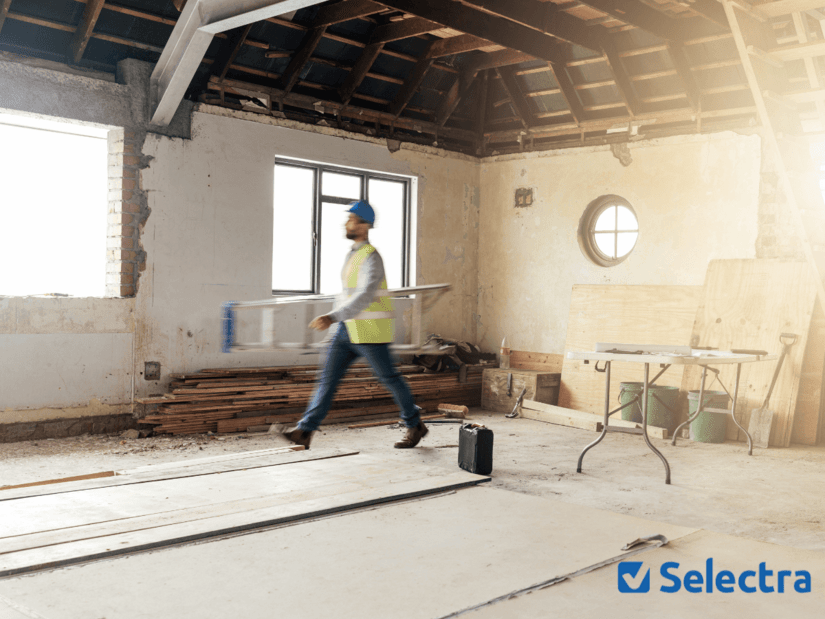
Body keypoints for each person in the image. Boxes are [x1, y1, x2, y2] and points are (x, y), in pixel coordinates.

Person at [282, 200, 428, 450]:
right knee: (327, 380)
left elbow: (364, 295)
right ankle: (305, 431)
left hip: (371, 332)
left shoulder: (372, 258)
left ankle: (415, 424)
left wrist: (332, 317)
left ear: (365, 225)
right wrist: (338, 320)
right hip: (346, 330)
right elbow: (349, 294)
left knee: (390, 379)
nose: (346, 223)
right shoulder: (353, 255)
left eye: (351, 219)